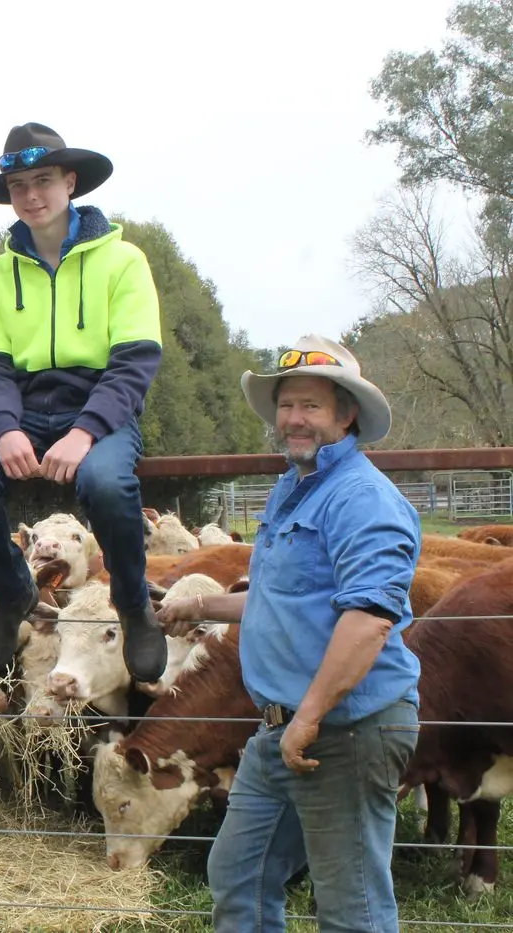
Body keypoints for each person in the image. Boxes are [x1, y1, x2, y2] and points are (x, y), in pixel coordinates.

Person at [158, 335, 422, 931]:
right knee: (238, 873)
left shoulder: (362, 500)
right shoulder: (294, 487)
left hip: (346, 727)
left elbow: (370, 619)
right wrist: (198, 604)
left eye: (311, 406)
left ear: (345, 415)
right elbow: (279, 599)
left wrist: (308, 718)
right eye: (286, 405)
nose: (294, 420)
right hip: (281, 727)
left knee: (350, 902)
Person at [0, 122, 168, 678]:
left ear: (71, 182)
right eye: (18, 185)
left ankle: (134, 605)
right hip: (21, 407)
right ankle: (12, 590)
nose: (32, 195)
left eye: (44, 180)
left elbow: (134, 362)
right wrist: (5, 427)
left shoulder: (123, 261)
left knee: (108, 484)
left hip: (99, 406)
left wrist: (85, 431)